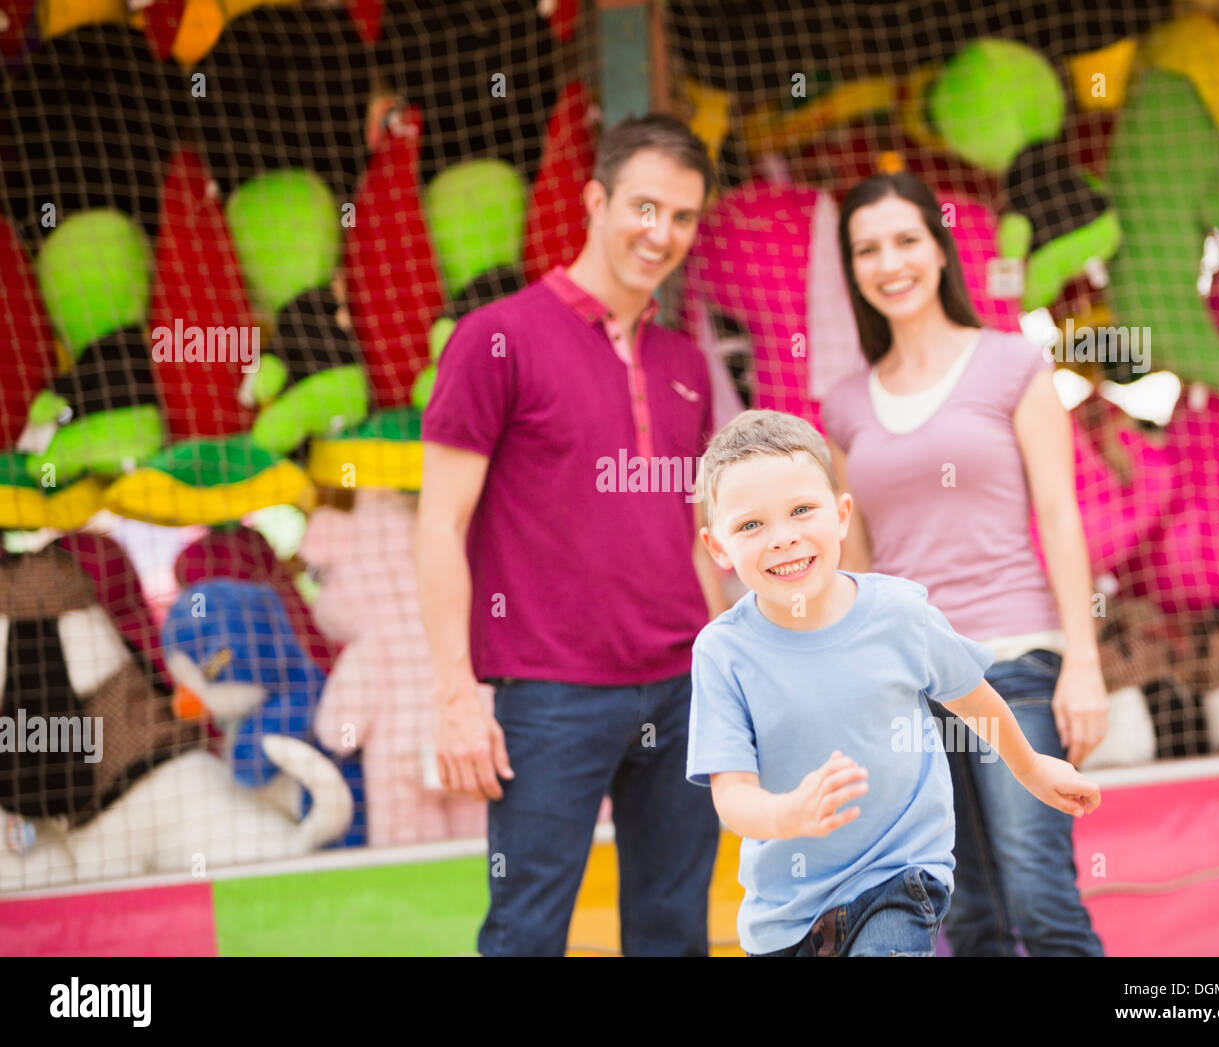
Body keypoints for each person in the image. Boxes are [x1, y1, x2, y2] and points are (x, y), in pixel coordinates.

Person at [415, 113, 729, 957]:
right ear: (596, 200)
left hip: (684, 690)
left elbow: (694, 537)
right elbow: (439, 524)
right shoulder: (495, 338)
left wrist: (728, 673)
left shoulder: (685, 362)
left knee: (675, 934)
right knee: (525, 937)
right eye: (644, 207)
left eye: (683, 216)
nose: (661, 233)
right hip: (549, 694)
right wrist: (456, 697)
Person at [821, 170, 1111, 956]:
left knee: (1041, 902)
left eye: (906, 240)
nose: (890, 263)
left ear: (940, 249)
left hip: (1015, 662)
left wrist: (1083, 663)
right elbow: (858, 562)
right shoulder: (844, 404)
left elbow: (1060, 516)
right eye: (867, 249)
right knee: (967, 915)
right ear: (850, 268)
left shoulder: (1013, 364)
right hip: (911, 685)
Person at [686, 409, 1101, 957]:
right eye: (750, 525)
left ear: (842, 515)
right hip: (785, 913)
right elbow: (732, 795)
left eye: (802, 510)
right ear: (717, 547)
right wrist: (788, 815)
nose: (783, 538)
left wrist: (1031, 767)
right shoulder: (722, 653)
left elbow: (973, 697)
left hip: (897, 876)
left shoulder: (899, 614)